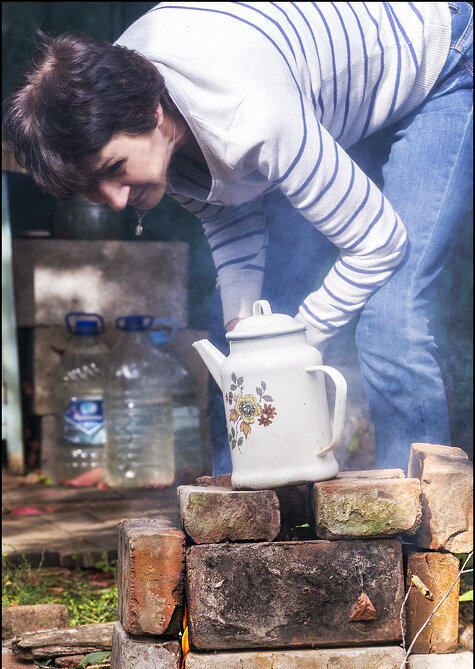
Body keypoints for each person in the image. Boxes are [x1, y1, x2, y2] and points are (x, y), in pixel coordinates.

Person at [3, 2, 472, 474]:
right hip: (337, 95)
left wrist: (298, 343)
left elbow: (380, 241)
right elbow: (230, 213)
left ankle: (429, 532)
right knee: (239, 338)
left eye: (114, 170)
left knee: (390, 316)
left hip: (437, 61)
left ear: (151, 111)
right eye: (95, 190)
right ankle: (251, 523)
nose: (117, 200)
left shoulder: (252, 115)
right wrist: (243, 323)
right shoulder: (114, 99)